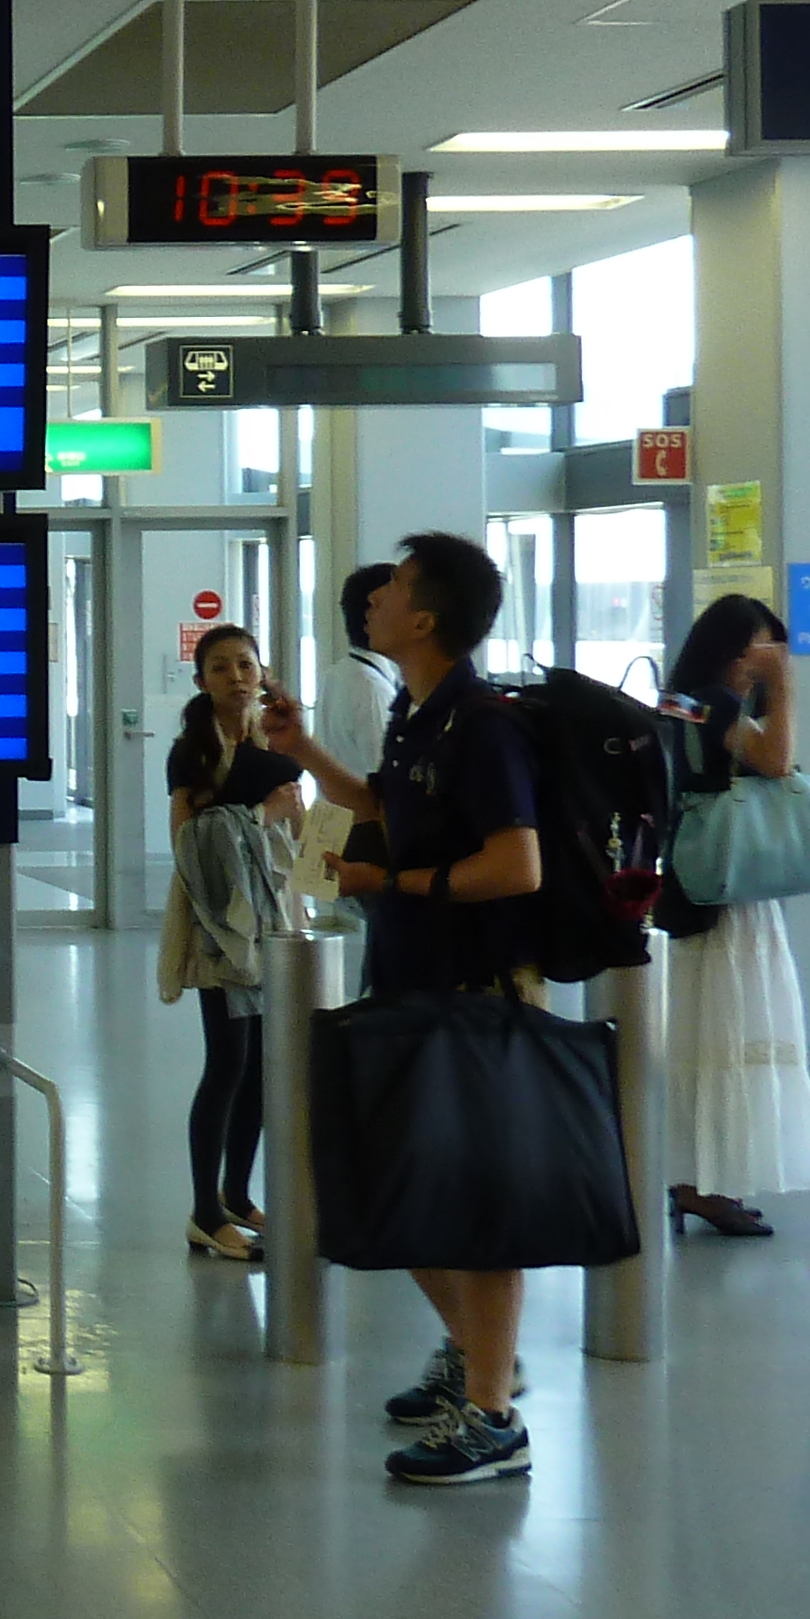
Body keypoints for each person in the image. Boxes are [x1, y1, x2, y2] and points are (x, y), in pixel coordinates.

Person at [258, 532, 546, 1487]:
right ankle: (481, 1360)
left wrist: (396, 881)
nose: (374, 596)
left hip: (475, 994)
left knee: (472, 1207)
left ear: (423, 619)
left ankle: (495, 1412)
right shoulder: (417, 719)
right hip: (412, 982)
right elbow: (383, 807)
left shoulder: (484, 723)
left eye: (393, 586)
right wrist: (302, 752)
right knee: (406, 1190)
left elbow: (517, 866)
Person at [658, 595, 810, 1234]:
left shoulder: (676, 698)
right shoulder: (719, 703)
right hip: (733, 892)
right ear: (736, 649)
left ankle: (697, 1174)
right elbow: (776, 762)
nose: (771, 658)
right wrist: (784, 690)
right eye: (763, 647)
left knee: (703, 1034)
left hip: (694, 880)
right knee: (733, 1027)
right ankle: (708, 1182)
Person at [157, 623, 305, 1260]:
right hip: (220, 927)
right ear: (202, 681)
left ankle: (238, 1195)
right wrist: (260, 816)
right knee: (228, 1063)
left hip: (276, 914)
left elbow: (307, 829)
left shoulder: (280, 744)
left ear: (264, 673)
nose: (236, 676)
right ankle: (203, 1209)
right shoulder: (193, 752)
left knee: (263, 1069)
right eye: (221, 667)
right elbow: (190, 845)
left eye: (247, 664)